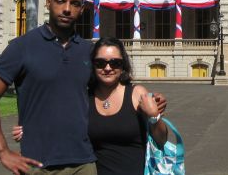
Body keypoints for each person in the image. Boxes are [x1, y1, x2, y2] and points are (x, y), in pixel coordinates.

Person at [0, 0, 166, 175]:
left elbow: (114, 89)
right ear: (49, 3)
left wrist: (153, 102)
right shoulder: (22, 47)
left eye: (74, 3)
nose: (67, 9)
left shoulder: (90, 53)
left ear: (82, 9)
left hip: (84, 164)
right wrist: (3, 151)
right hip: (37, 164)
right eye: (60, 1)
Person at [15, 37, 168, 175]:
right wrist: (29, 128)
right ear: (92, 65)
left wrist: (154, 116)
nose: (108, 68)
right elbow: (60, 121)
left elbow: (161, 140)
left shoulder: (136, 94)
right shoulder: (85, 97)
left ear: (123, 66)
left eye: (115, 63)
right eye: (100, 63)